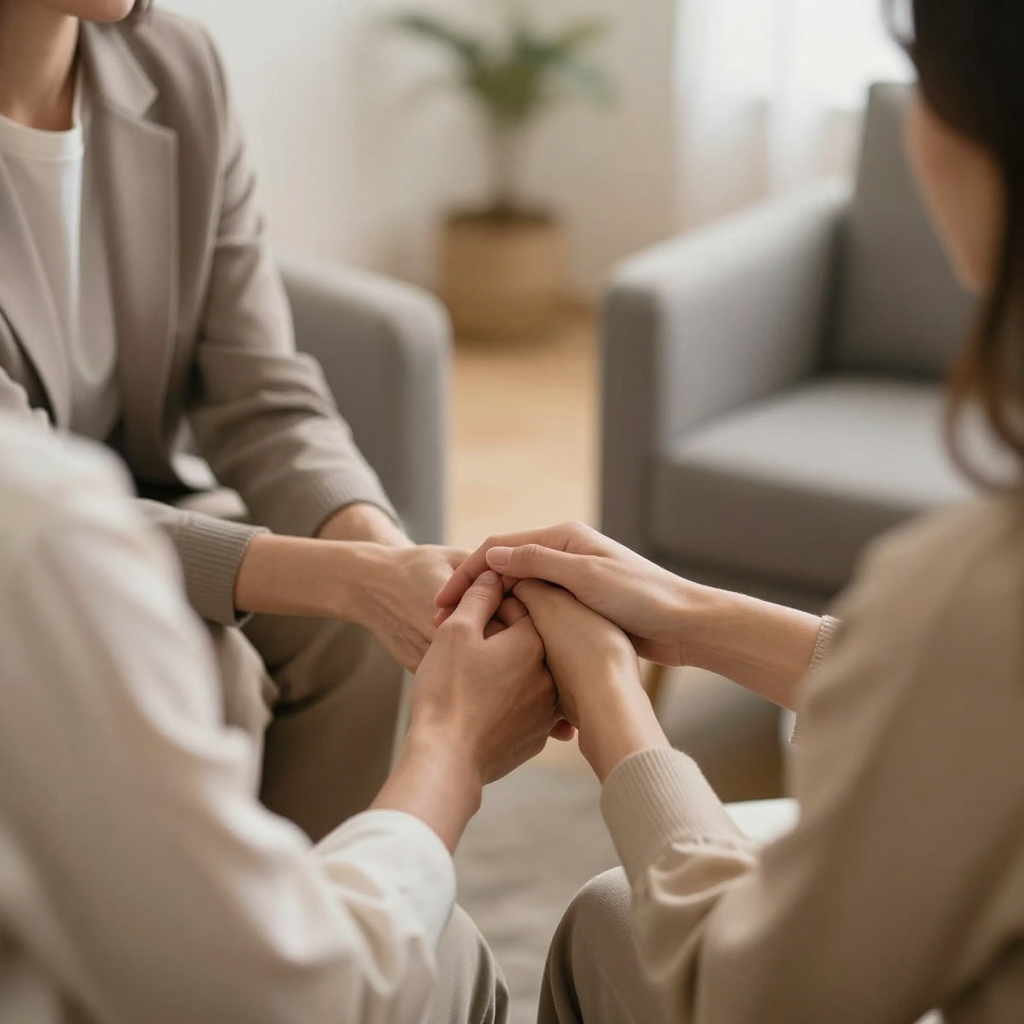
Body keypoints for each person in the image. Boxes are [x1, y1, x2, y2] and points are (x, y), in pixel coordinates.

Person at [435, 0, 1024, 1020]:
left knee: (610, 924)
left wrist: (610, 700)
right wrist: (686, 615)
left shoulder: (974, 583)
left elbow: (741, 994)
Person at [0, 0, 461, 841]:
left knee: (362, 640)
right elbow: (21, 501)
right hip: (16, 545)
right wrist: (357, 579)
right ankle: (181, 964)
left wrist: (393, 565)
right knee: (209, 668)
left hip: (142, 501)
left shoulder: (175, 67)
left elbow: (261, 392)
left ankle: (324, 943)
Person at [0, 414, 578, 1024]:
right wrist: (453, 745)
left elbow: (271, 403)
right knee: (451, 943)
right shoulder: (39, 535)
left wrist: (397, 571)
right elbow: (296, 996)